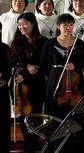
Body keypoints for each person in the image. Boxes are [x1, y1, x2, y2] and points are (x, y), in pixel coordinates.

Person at [40, 13, 84, 152]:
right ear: (58, 26)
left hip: (74, 83)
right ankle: (55, 148)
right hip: (55, 81)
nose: (68, 28)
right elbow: (43, 64)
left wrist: (76, 66)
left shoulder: (79, 43)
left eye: (70, 24)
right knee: (55, 115)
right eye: (65, 25)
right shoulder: (50, 43)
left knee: (74, 115)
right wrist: (53, 77)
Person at [8, 13, 47, 153]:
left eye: (25, 24)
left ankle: (32, 144)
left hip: (37, 84)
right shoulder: (17, 42)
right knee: (23, 114)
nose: (22, 27)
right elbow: (12, 61)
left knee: (35, 114)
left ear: (33, 24)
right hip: (20, 84)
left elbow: (43, 65)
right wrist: (25, 68)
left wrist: (30, 68)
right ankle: (28, 144)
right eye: (19, 25)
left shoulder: (44, 42)